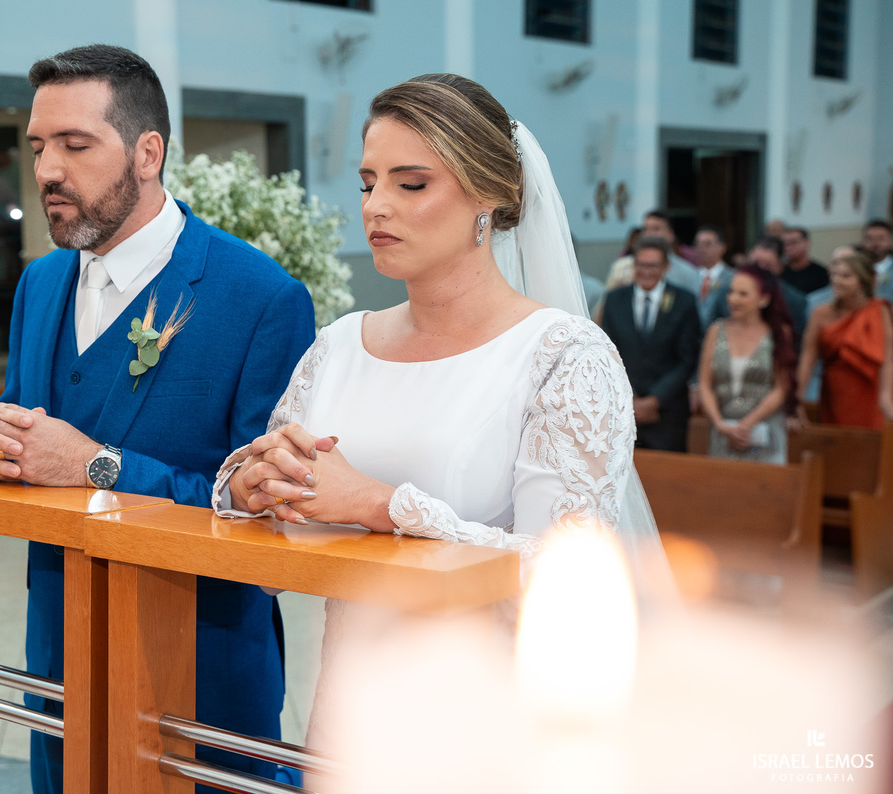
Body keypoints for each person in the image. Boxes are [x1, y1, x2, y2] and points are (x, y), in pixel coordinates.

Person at [211, 74, 673, 749]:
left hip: (487, 724)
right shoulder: (339, 345)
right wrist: (253, 492)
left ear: (489, 196)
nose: (376, 207)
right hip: (351, 711)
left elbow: (569, 582)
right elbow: (275, 537)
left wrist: (381, 504)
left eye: (411, 184)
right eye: (367, 183)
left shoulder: (561, 356)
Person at [0, 44, 315, 794]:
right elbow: (30, 445)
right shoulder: (39, 284)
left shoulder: (260, 299)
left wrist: (96, 466)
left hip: (200, 668)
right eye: (39, 147)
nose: (47, 170)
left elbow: (269, 521)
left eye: (75, 145)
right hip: (58, 652)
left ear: (147, 153)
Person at [601, 237, 702, 451]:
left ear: (666, 267)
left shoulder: (684, 301)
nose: (646, 271)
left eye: (653, 266)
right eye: (641, 265)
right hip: (623, 408)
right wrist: (630, 397)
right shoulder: (614, 300)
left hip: (668, 412)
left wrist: (655, 399)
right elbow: (608, 353)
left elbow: (688, 357)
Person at [697, 265, 796, 464]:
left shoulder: (778, 333)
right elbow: (705, 384)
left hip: (764, 431)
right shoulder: (716, 331)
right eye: (731, 292)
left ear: (764, 299)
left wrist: (746, 425)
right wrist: (719, 424)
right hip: (724, 431)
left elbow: (781, 387)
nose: (733, 299)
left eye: (743, 294)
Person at [797, 250, 893, 428]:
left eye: (846, 276)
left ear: (863, 281)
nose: (837, 281)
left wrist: (886, 398)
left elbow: (888, 358)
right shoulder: (821, 313)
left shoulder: (878, 310)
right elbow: (808, 358)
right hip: (835, 391)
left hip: (871, 391)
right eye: (834, 275)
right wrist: (797, 400)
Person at [642, 209, 700, 295]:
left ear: (670, 234)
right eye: (645, 229)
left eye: (656, 229)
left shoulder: (687, 273)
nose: (649, 234)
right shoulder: (627, 269)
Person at [692, 224, 734, 327]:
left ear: (722, 247)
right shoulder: (689, 275)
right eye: (698, 244)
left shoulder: (733, 277)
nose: (702, 249)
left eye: (708, 244)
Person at [780, 227, 829, 295]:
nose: (788, 247)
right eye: (785, 244)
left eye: (793, 243)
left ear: (806, 243)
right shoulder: (779, 272)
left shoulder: (821, 274)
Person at [861, 219, 893, 302]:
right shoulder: (856, 269)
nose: (875, 244)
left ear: (891, 241)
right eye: (869, 239)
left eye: (880, 239)